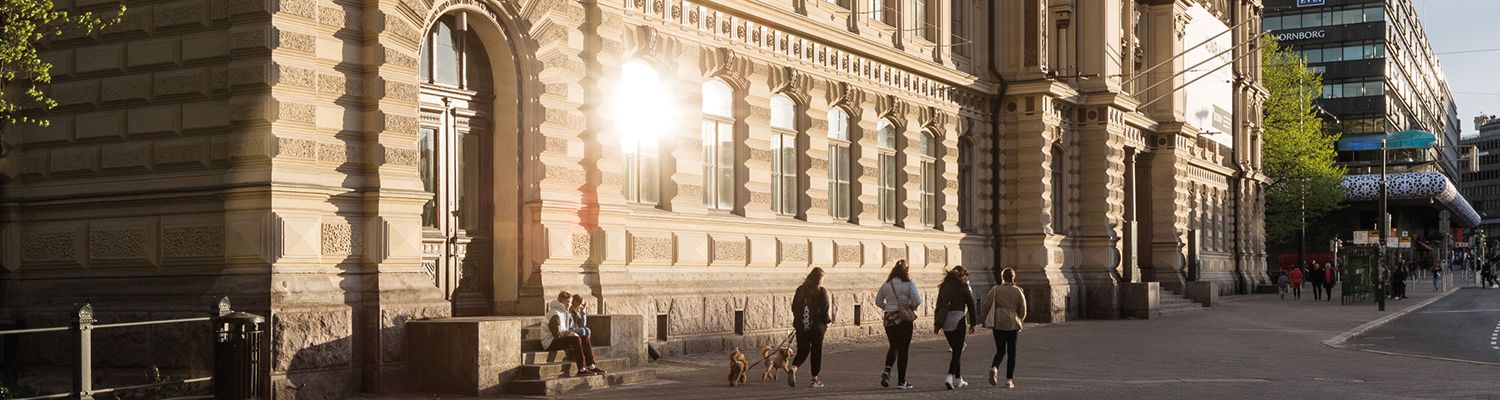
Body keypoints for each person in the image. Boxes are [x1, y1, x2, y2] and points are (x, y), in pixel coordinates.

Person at [875, 260, 921, 390]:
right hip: (903, 319)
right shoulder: (909, 283)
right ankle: (901, 381)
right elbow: (918, 300)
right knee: (903, 349)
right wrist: (910, 307)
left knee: (893, 345)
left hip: (889, 318)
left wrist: (889, 307)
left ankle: (887, 370)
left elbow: (878, 301)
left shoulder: (887, 284)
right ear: (906, 270)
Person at [933, 266, 978, 390]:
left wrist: (937, 325)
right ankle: (949, 376)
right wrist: (973, 323)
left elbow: (939, 306)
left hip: (946, 321)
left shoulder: (943, 287)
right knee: (957, 351)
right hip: (958, 319)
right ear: (962, 276)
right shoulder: (963, 286)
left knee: (956, 349)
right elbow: (971, 305)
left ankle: (959, 379)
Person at [981, 267, 1026, 389]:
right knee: (1012, 352)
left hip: (998, 322)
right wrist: (1019, 319)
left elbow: (986, 304)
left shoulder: (995, 290)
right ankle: (1009, 380)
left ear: (1002, 277)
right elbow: (1022, 309)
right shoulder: (1017, 291)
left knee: (1000, 350)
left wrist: (984, 318)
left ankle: (994, 367)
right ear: (1013, 277)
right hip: (1012, 323)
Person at [541, 291, 604, 376]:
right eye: (569, 302)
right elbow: (557, 335)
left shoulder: (562, 312)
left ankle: (591, 365)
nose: (571, 305)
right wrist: (570, 334)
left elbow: (564, 330)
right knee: (575, 339)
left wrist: (570, 333)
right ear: (563, 302)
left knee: (585, 338)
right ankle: (581, 369)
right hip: (549, 343)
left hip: (557, 339)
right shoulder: (555, 314)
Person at [788, 267, 830, 388]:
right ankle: (814, 379)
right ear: (819, 279)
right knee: (816, 351)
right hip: (817, 327)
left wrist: (800, 321)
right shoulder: (821, 291)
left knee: (803, 350)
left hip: (802, 325)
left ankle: (794, 368)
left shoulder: (800, 289)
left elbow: (794, 307)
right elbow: (825, 310)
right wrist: (826, 322)